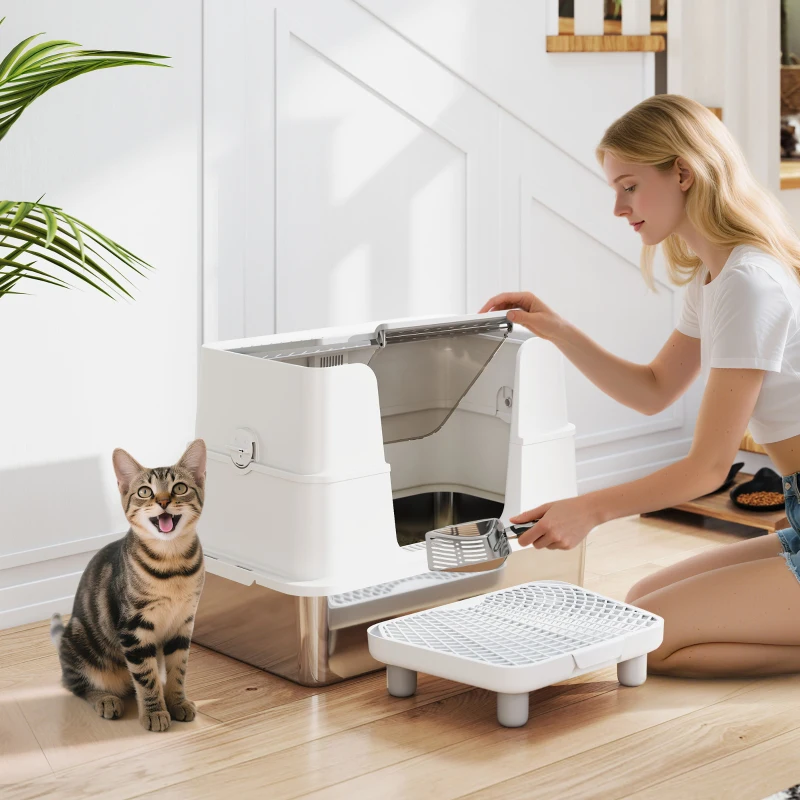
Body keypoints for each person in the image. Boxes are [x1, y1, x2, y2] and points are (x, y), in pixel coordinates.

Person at [479, 94, 800, 679]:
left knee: (644, 643)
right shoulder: (717, 278)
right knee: (638, 611)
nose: (618, 208)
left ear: (682, 172)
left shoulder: (749, 284)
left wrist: (591, 509)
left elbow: (708, 468)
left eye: (629, 186)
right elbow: (655, 389)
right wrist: (557, 331)